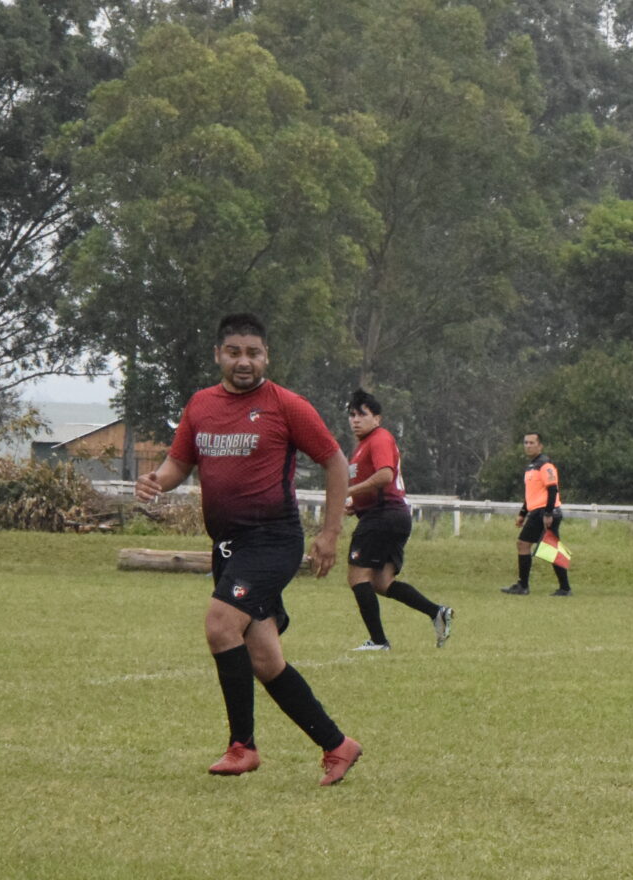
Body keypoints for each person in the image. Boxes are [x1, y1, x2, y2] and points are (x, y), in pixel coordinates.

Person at [132, 313, 363, 785]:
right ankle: (337, 745)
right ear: (218, 354)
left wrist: (330, 533)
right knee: (265, 660)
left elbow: (336, 461)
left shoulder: (286, 405)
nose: (244, 361)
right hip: (228, 548)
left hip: (273, 540)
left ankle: (243, 747)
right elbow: (179, 463)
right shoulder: (201, 405)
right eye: (234, 352)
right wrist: (157, 480)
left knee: (220, 625)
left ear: (266, 357)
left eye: (253, 353)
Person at [343, 389, 453, 650]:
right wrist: (356, 503)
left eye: (362, 414)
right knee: (381, 582)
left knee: (357, 577)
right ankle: (436, 612)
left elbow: (385, 476)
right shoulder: (363, 445)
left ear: (377, 418)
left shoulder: (379, 438)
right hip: (391, 515)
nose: (355, 420)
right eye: (352, 415)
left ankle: (378, 642)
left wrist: (349, 491)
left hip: (383, 516)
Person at [501, 431, 570, 596]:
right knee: (550, 548)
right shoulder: (531, 467)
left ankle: (523, 586)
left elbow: (552, 489)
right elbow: (531, 495)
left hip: (544, 512)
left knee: (524, 544)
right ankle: (564, 588)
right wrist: (523, 513)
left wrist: (548, 513)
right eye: (526, 443)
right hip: (538, 511)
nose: (528, 446)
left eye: (532, 443)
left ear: (540, 446)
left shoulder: (545, 465)